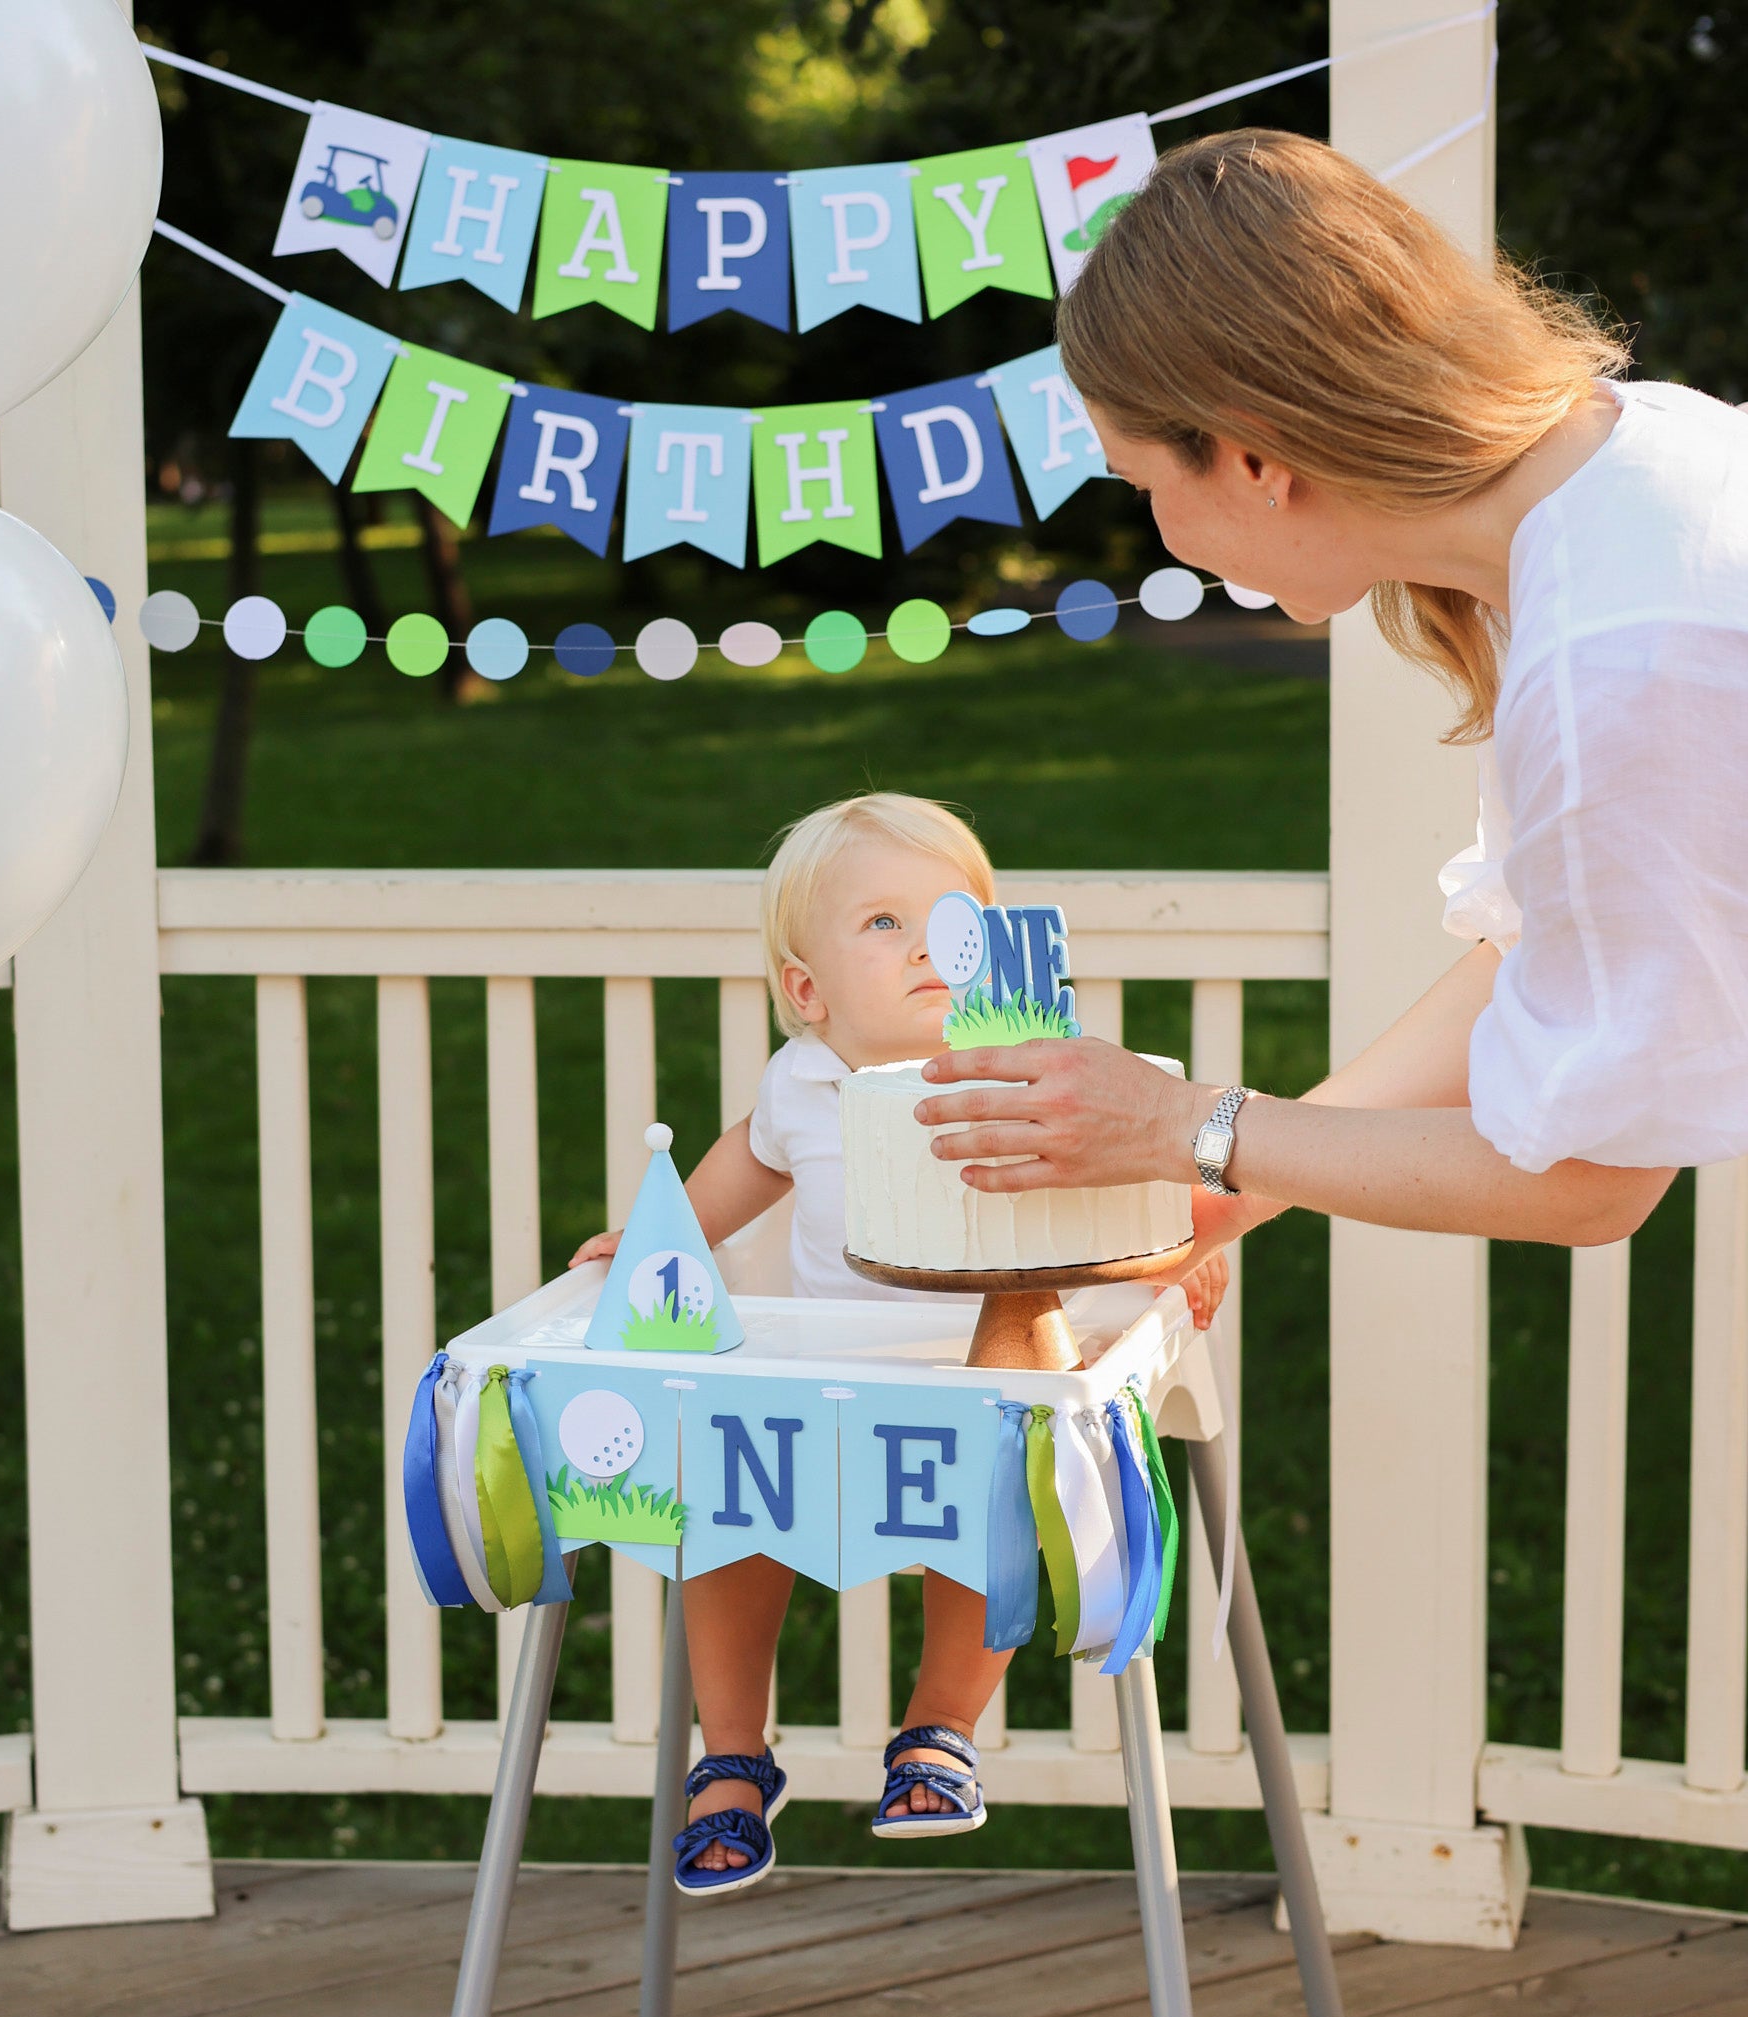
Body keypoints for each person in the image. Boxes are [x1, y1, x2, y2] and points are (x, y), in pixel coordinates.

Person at [921, 127, 1747, 1272]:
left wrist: (1182, 1126)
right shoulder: (1605, 486)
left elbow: (1587, 1181)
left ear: (1254, 458)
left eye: (1146, 482)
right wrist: (1225, 1188)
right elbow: (1531, 954)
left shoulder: (1614, 654)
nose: (1160, 531)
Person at [571, 792, 1227, 1896]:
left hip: (981, 1376)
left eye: (952, 917)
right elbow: (746, 1162)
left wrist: (1175, 1248)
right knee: (723, 1514)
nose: (927, 943)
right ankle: (730, 1753)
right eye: (881, 922)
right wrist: (655, 1235)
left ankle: (938, 1724)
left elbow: (1124, 1175)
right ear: (807, 991)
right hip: (827, 1393)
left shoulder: (1034, 1078)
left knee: (996, 1506)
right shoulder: (805, 1084)